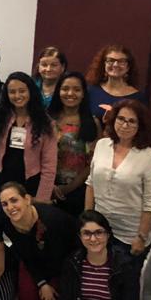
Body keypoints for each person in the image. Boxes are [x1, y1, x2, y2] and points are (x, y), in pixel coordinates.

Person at [0, 182, 77, 300]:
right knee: (27, 292)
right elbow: (23, 253)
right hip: (32, 260)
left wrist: (46, 284)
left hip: (62, 264)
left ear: (27, 199)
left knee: (50, 299)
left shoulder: (53, 220)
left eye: (14, 200)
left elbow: (63, 256)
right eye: (5, 204)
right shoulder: (8, 223)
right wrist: (41, 281)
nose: (10, 207)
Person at [85, 99, 151, 258]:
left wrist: (141, 237)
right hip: (99, 231)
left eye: (132, 121)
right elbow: (91, 184)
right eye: (121, 119)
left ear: (140, 126)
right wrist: (87, 220)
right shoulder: (102, 145)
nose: (125, 125)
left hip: (130, 236)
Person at [0, 72, 57, 207]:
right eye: (12, 92)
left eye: (22, 91)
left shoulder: (46, 123)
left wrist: (42, 198)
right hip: (2, 185)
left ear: (31, 92)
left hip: (31, 188)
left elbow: (49, 166)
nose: (17, 96)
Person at [47, 72, 100, 217]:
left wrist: (68, 188)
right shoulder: (47, 119)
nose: (70, 93)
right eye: (65, 89)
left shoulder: (92, 123)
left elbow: (92, 163)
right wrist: (49, 185)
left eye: (76, 89)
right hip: (45, 187)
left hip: (79, 191)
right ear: (58, 92)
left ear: (83, 94)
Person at [85, 44, 146, 120]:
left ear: (128, 67)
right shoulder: (90, 91)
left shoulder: (138, 98)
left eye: (121, 61)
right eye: (111, 60)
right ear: (104, 64)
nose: (115, 65)